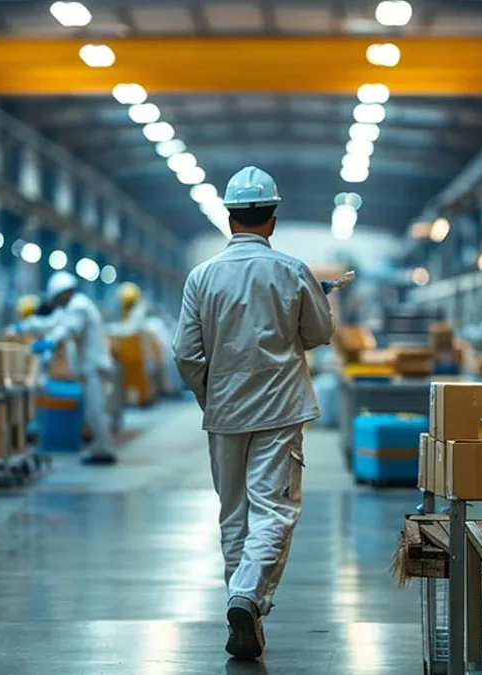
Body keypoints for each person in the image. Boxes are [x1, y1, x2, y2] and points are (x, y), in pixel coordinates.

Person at [173, 166, 336, 661]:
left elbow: (185, 352)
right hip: (280, 409)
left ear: (229, 218)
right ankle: (246, 598)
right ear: (272, 219)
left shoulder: (201, 277)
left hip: (225, 413)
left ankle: (242, 607)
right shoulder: (291, 270)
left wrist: (211, 394)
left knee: (234, 515)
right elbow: (319, 334)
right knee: (275, 511)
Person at [18, 272, 117, 465]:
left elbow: (67, 329)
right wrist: (25, 326)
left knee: (96, 410)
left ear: (66, 292)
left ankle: (106, 450)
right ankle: (100, 448)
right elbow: (53, 322)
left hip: (94, 367)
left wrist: (48, 342)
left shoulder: (79, 306)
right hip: (89, 367)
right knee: (92, 411)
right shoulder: (72, 306)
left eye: (57, 298)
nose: (57, 302)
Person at [113, 282, 180, 395]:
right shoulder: (134, 315)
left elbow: (129, 330)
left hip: (147, 360)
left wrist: (108, 329)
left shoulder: (141, 315)